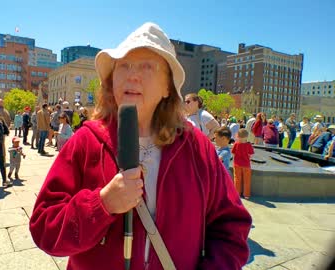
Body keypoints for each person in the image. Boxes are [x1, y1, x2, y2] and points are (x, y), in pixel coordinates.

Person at [29, 22, 251, 270]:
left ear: (168, 87)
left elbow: (231, 229)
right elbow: (44, 228)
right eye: (123, 65)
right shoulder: (86, 141)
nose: (132, 75)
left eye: (147, 66)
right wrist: (101, 205)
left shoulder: (197, 147)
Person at [231, 129, 254, 199]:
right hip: (246, 165)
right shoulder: (249, 145)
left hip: (237, 164)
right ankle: (246, 194)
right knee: (247, 180)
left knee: (237, 179)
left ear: (238, 136)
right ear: (246, 137)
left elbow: (233, 153)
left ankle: (237, 193)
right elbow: (251, 154)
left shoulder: (236, 144)